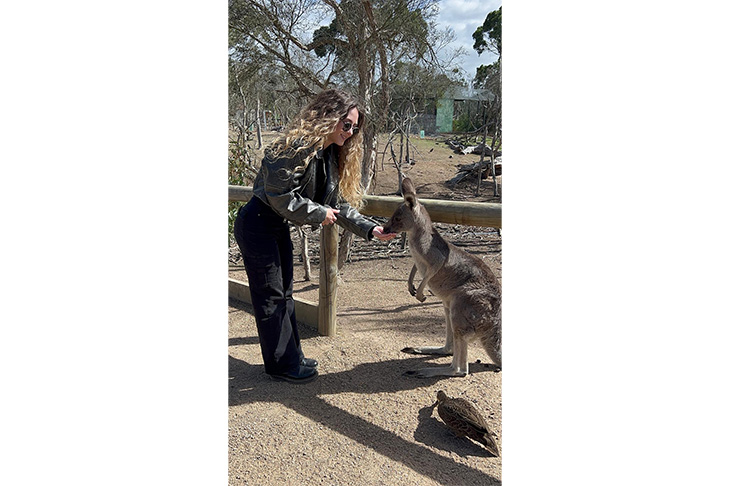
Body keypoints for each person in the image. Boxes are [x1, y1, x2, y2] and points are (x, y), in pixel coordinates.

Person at [233, 88, 397, 384]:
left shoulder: (328, 155)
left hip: (275, 225)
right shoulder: (294, 146)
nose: (350, 132)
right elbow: (278, 195)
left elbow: (339, 205)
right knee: (271, 297)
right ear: (328, 116)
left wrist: (370, 228)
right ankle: (281, 366)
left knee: (285, 294)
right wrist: (319, 212)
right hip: (257, 224)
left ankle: (292, 357)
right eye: (347, 124)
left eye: (354, 127)